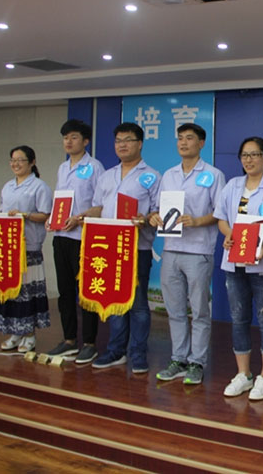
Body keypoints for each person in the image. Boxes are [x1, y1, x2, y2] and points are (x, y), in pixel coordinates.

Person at [148, 123, 225, 385]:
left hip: (198, 251)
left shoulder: (213, 175)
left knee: (200, 311)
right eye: (180, 138)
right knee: (175, 310)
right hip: (171, 249)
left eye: (189, 138)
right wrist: (154, 217)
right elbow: (158, 207)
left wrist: (198, 221)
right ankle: (178, 358)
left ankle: (197, 362)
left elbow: (220, 212)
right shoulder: (168, 175)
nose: (183, 143)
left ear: (201, 143)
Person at [215, 137, 263, 400]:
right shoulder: (232, 185)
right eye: (244, 155)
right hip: (234, 263)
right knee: (239, 319)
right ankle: (244, 374)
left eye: (255, 154)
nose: (249, 160)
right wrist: (228, 235)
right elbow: (221, 219)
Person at [85, 123, 161, 374]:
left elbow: (157, 212)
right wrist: (82, 216)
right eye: (118, 141)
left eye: (128, 140)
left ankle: (138, 353)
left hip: (137, 248)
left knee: (138, 305)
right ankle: (116, 350)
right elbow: (98, 207)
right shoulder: (107, 175)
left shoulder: (151, 175)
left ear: (140, 144)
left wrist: (145, 218)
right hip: (108, 247)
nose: (122, 145)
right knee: (114, 302)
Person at [45, 119, 105, 365]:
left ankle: (89, 343)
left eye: (74, 137)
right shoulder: (62, 168)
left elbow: (101, 205)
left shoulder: (95, 167)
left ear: (86, 141)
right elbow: (61, 201)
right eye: (65, 138)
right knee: (65, 292)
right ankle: (69, 340)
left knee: (86, 293)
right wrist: (52, 219)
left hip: (83, 238)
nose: (68, 142)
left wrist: (79, 218)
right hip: (61, 237)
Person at [0, 145, 52, 353]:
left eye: (20, 160)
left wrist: (25, 215)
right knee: (12, 290)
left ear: (32, 162)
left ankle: (29, 334)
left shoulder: (39, 186)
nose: (15, 164)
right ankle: (15, 331)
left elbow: (46, 215)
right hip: (8, 247)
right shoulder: (7, 186)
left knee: (27, 292)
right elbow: (3, 213)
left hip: (29, 246)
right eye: (12, 160)